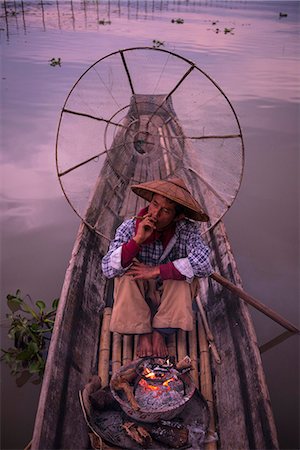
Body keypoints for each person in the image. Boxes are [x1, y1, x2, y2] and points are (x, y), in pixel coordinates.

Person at [101, 178, 212, 358]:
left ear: (178, 217)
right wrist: (137, 241)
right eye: (154, 204)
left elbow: (205, 263)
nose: (155, 213)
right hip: (140, 295)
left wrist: (157, 270)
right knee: (125, 273)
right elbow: (106, 268)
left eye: (166, 210)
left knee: (185, 277)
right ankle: (142, 330)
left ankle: (161, 331)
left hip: (169, 297)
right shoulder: (130, 227)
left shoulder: (187, 230)